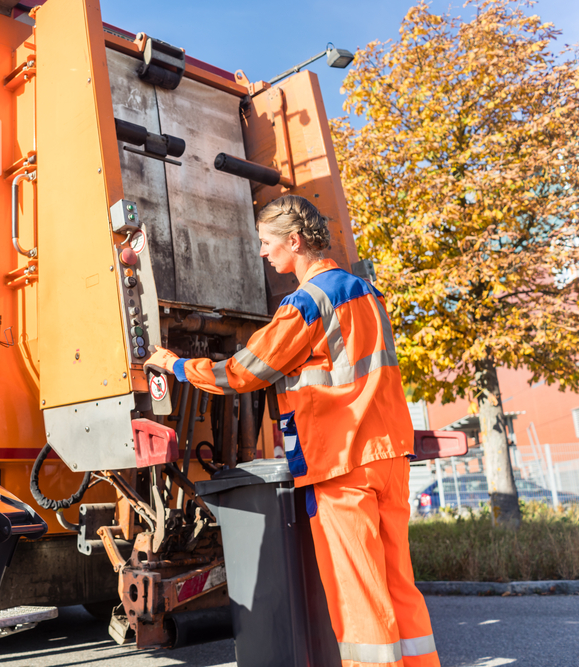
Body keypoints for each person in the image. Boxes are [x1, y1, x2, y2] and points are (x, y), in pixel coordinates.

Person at [146, 195, 439, 667]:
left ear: (295, 241)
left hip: (344, 466)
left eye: (267, 242)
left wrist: (176, 365)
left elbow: (241, 373)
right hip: (389, 457)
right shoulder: (367, 293)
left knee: (359, 593)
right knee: (398, 585)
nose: (263, 253)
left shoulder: (305, 303)